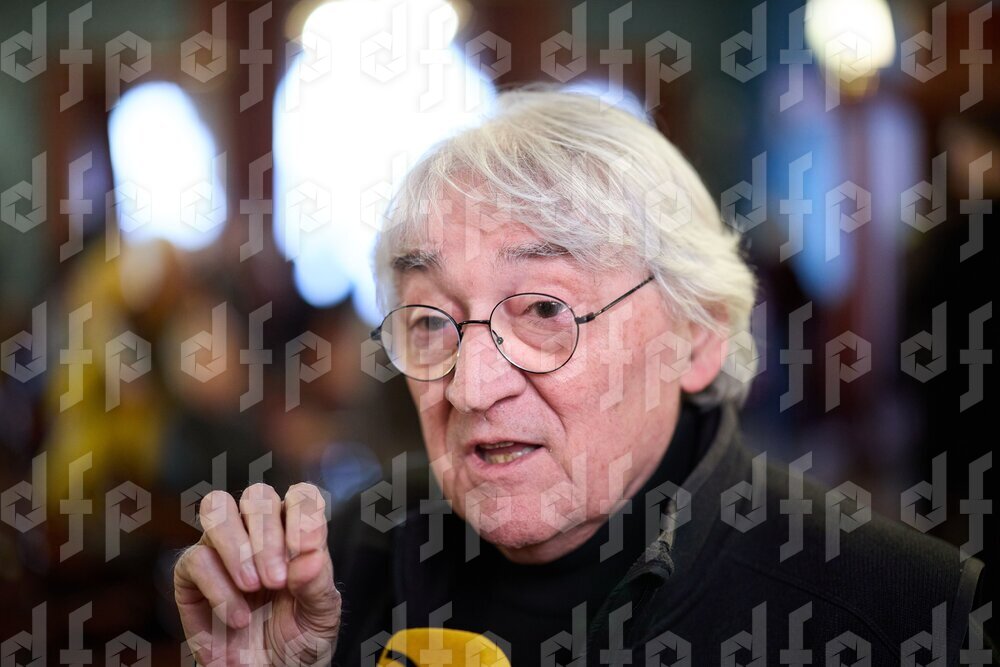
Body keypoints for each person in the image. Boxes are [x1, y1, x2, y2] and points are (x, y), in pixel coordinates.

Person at [172, 88, 993, 666]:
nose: (470, 386)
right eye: (431, 321)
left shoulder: (905, 613)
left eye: (543, 309)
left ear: (697, 334)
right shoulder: (351, 556)